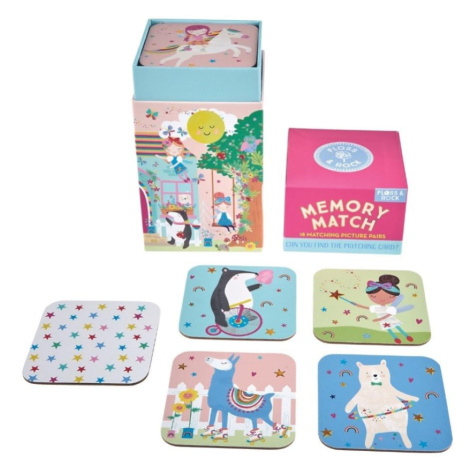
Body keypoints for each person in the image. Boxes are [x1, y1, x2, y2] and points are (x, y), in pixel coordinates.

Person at [354, 274, 414, 344]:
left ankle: (406, 335)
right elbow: (367, 308)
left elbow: (389, 314)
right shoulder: (376, 307)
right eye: (373, 296)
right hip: (383, 320)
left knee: (397, 326)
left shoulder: (390, 308)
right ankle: (395, 338)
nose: (382, 299)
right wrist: (356, 305)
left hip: (387, 318)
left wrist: (379, 319)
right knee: (389, 328)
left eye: (390, 296)